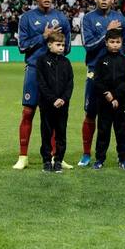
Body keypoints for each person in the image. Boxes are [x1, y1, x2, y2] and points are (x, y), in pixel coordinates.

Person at [13, 0, 72, 170]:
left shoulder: (61, 18)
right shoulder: (27, 18)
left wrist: (55, 45)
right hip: (33, 70)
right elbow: (22, 46)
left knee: (55, 113)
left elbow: (67, 47)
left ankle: (56, 157)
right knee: (28, 112)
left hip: (54, 72)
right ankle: (23, 156)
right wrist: (44, 36)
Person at [79, 0, 125, 167]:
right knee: (90, 114)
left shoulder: (121, 18)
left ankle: (123, 155)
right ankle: (87, 154)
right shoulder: (88, 18)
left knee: (122, 117)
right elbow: (88, 45)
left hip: (117, 78)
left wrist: (115, 59)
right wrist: (106, 32)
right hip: (96, 76)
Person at [92, 29, 125, 170]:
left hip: (121, 103)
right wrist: (107, 94)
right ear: (106, 43)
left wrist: (115, 96)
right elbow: (97, 81)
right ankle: (99, 159)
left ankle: (123, 159)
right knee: (103, 132)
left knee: (122, 132)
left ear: (121, 43)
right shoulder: (101, 61)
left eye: (118, 42)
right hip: (104, 103)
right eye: (112, 42)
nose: (115, 44)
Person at [36, 31, 74, 173]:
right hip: (47, 104)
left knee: (61, 133)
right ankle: (47, 160)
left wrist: (63, 99)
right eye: (58, 45)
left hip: (63, 105)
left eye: (63, 45)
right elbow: (41, 83)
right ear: (49, 45)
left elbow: (70, 83)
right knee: (46, 133)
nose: (61, 47)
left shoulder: (66, 62)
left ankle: (58, 160)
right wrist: (53, 99)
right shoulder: (41, 61)